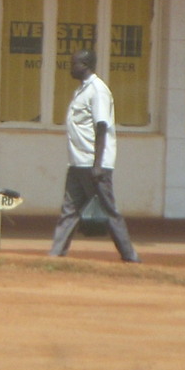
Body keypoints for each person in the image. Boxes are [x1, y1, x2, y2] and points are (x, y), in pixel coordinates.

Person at [49, 49, 139, 262]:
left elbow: (101, 126)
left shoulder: (98, 90)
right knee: (69, 210)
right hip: (77, 162)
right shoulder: (81, 90)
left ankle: (130, 257)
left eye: (74, 63)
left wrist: (98, 165)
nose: (71, 68)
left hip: (94, 164)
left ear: (86, 65)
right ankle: (55, 254)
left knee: (108, 211)